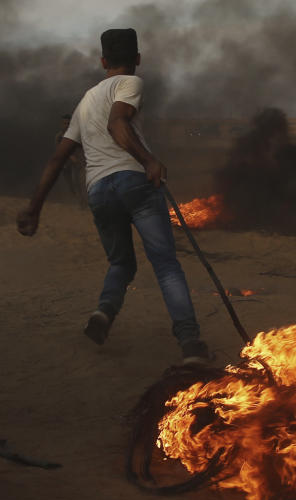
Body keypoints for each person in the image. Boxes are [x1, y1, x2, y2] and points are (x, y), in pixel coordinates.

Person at [16, 28, 210, 366]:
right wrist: (149, 160)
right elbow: (117, 122)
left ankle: (103, 313)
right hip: (133, 181)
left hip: (99, 191)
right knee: (165, 264)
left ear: (103, 60)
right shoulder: (131, 83)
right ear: (137, 59)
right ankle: (190, 343)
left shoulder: (85, 100)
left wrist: (34, 208)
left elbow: (58, 157)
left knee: (121, 263)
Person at [55, 113, 87, 208]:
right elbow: (59, 150)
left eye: (68, 123)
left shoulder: (76, 134)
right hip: (65, 164)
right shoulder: (59, 136)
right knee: (71, 185)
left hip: (77, 163)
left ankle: (82, 203)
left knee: (79, 182)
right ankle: (79, 201)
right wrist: (70, 157)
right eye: (64, 123)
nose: (66, 125)